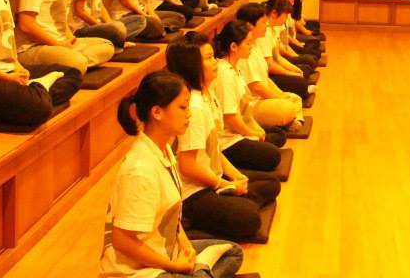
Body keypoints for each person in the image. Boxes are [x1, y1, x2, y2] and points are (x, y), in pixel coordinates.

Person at [100, 70, 243, 278]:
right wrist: (173, 266)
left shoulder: (165, 150)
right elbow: (122, 241)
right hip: (136, 272)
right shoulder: (140, 170)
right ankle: (198, 271)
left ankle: (198, 270)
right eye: (182, 107)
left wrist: (186, 248)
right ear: (157, 112)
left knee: (233, 252)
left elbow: (172, 217)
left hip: (166, 255)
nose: (189, 114)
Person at [165, 35, 280, 241]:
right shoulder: (194, 107)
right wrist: (222, 184)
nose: (215, 62)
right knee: (249, 219)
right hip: (192, 192)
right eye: (209, 58)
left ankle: (231, 203)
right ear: (191, 65)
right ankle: (193, 216)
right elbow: (188, 166)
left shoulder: (207, 95)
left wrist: (236, 177)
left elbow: (215, 149)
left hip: (212, 177)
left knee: (271, 183)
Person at [215, 15, 305, 133]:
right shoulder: (226, 70)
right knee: (287, 107)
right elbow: (255, 88)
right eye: (263, 22)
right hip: (251, 106)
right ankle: (287, 120)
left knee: (294, 98)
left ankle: (291, 121)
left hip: (250, 109)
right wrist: (254, 133)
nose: (266, 25)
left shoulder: (237, 62)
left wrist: (281, 95)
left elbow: (265, 78)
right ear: (233, 46)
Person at [247, 0, 316, 101]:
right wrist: (291, 73)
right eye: (263, 22)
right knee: (301, 80)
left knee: (305, 67)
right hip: (270, 74)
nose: (286, 18)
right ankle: (304, 88)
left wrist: (294, 68)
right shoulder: (263, 35)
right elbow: (270, 66)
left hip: (268, 74)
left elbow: (278, 57)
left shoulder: (270, 30)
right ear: (274, 13)